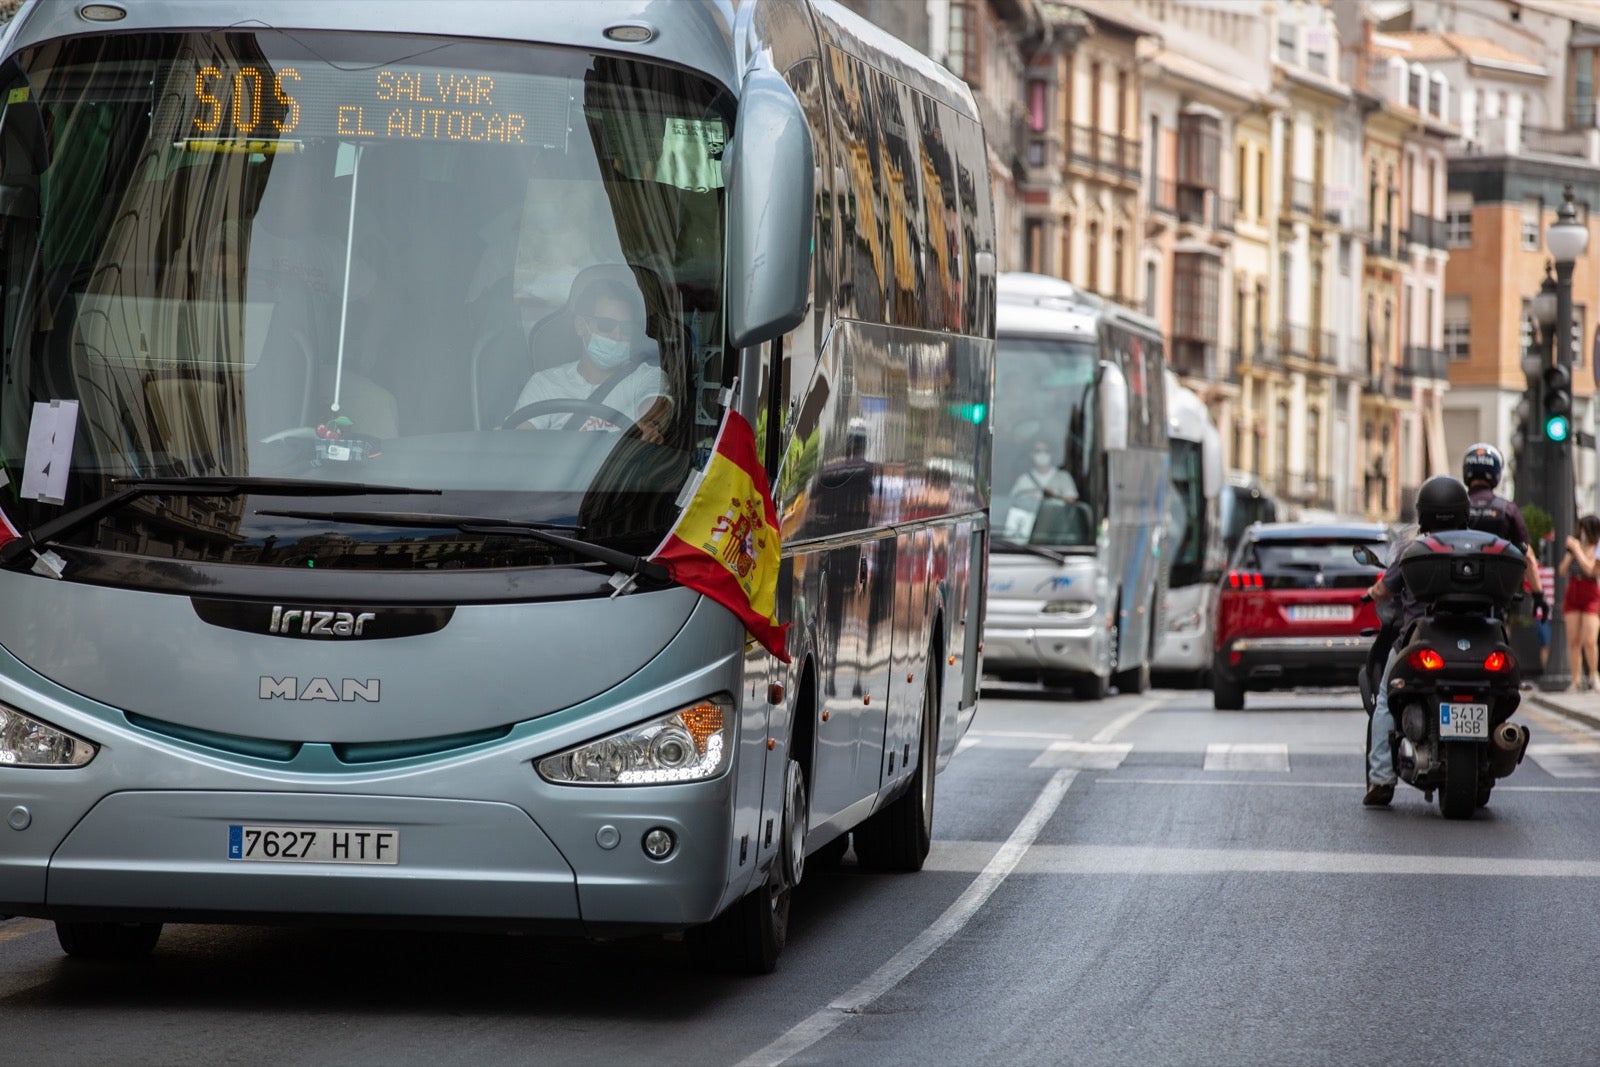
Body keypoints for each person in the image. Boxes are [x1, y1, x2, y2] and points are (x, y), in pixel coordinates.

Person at [1362, 474, 1473, 807]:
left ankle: (1381, 778)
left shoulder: (1414, 550)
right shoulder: (1480, 547)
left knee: (1385, 701)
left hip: (1418, 640)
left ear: (1423, 513)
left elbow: (1384, 589)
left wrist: (1371, 593)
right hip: (1473, 641)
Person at [511, 278, 671, 443]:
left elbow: (656, 406)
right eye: (606, 325)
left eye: (625, 329)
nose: (617, 336)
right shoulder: (545, 383)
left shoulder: (646, 376)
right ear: (581, 326)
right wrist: (508, 438)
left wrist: (649, 424)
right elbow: (519, 441)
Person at [1462, 442, 1547, 623]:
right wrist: (1538, 595)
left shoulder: (1455, 507)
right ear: (1496, 474)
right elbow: (1528, 556)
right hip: (1494, 599)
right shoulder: (1507, 510)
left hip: (1456, 594)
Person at [1559, 514, 1600, 691]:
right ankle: (1576, 680)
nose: (1579, 532)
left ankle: (1593, 674)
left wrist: (1577, 551)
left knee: (1590, 640)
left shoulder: (1597, 547)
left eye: (1581, 528)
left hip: (1590, 591)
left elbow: (1591, 570)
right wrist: (1572, 551)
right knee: (1574, 639)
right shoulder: (1575, 546)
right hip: (1573, 591)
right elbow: (1561, 570)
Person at [1009, 441, 1078, 505]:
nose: (1042, 454)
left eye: (1046, 451)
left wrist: (1053, 495)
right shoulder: (1024, 479)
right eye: (1038, 451)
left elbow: (1071, 501)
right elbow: (1012, 501)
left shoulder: (1063, 477)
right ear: (1031, 455)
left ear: (1051, 454)